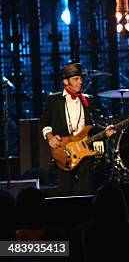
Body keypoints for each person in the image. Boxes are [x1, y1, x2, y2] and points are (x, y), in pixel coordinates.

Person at [40, 63, 115, 196]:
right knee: (65, 191)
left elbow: (93, 125)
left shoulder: (88, 100)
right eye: (76, 79)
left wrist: (105, 131)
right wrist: (50, 136)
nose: (80, 82)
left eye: (81, 78)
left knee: (86, 190)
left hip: (85, 151)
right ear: (65, 81)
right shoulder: (54, 100)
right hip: (64, 151)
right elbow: (44, 122)